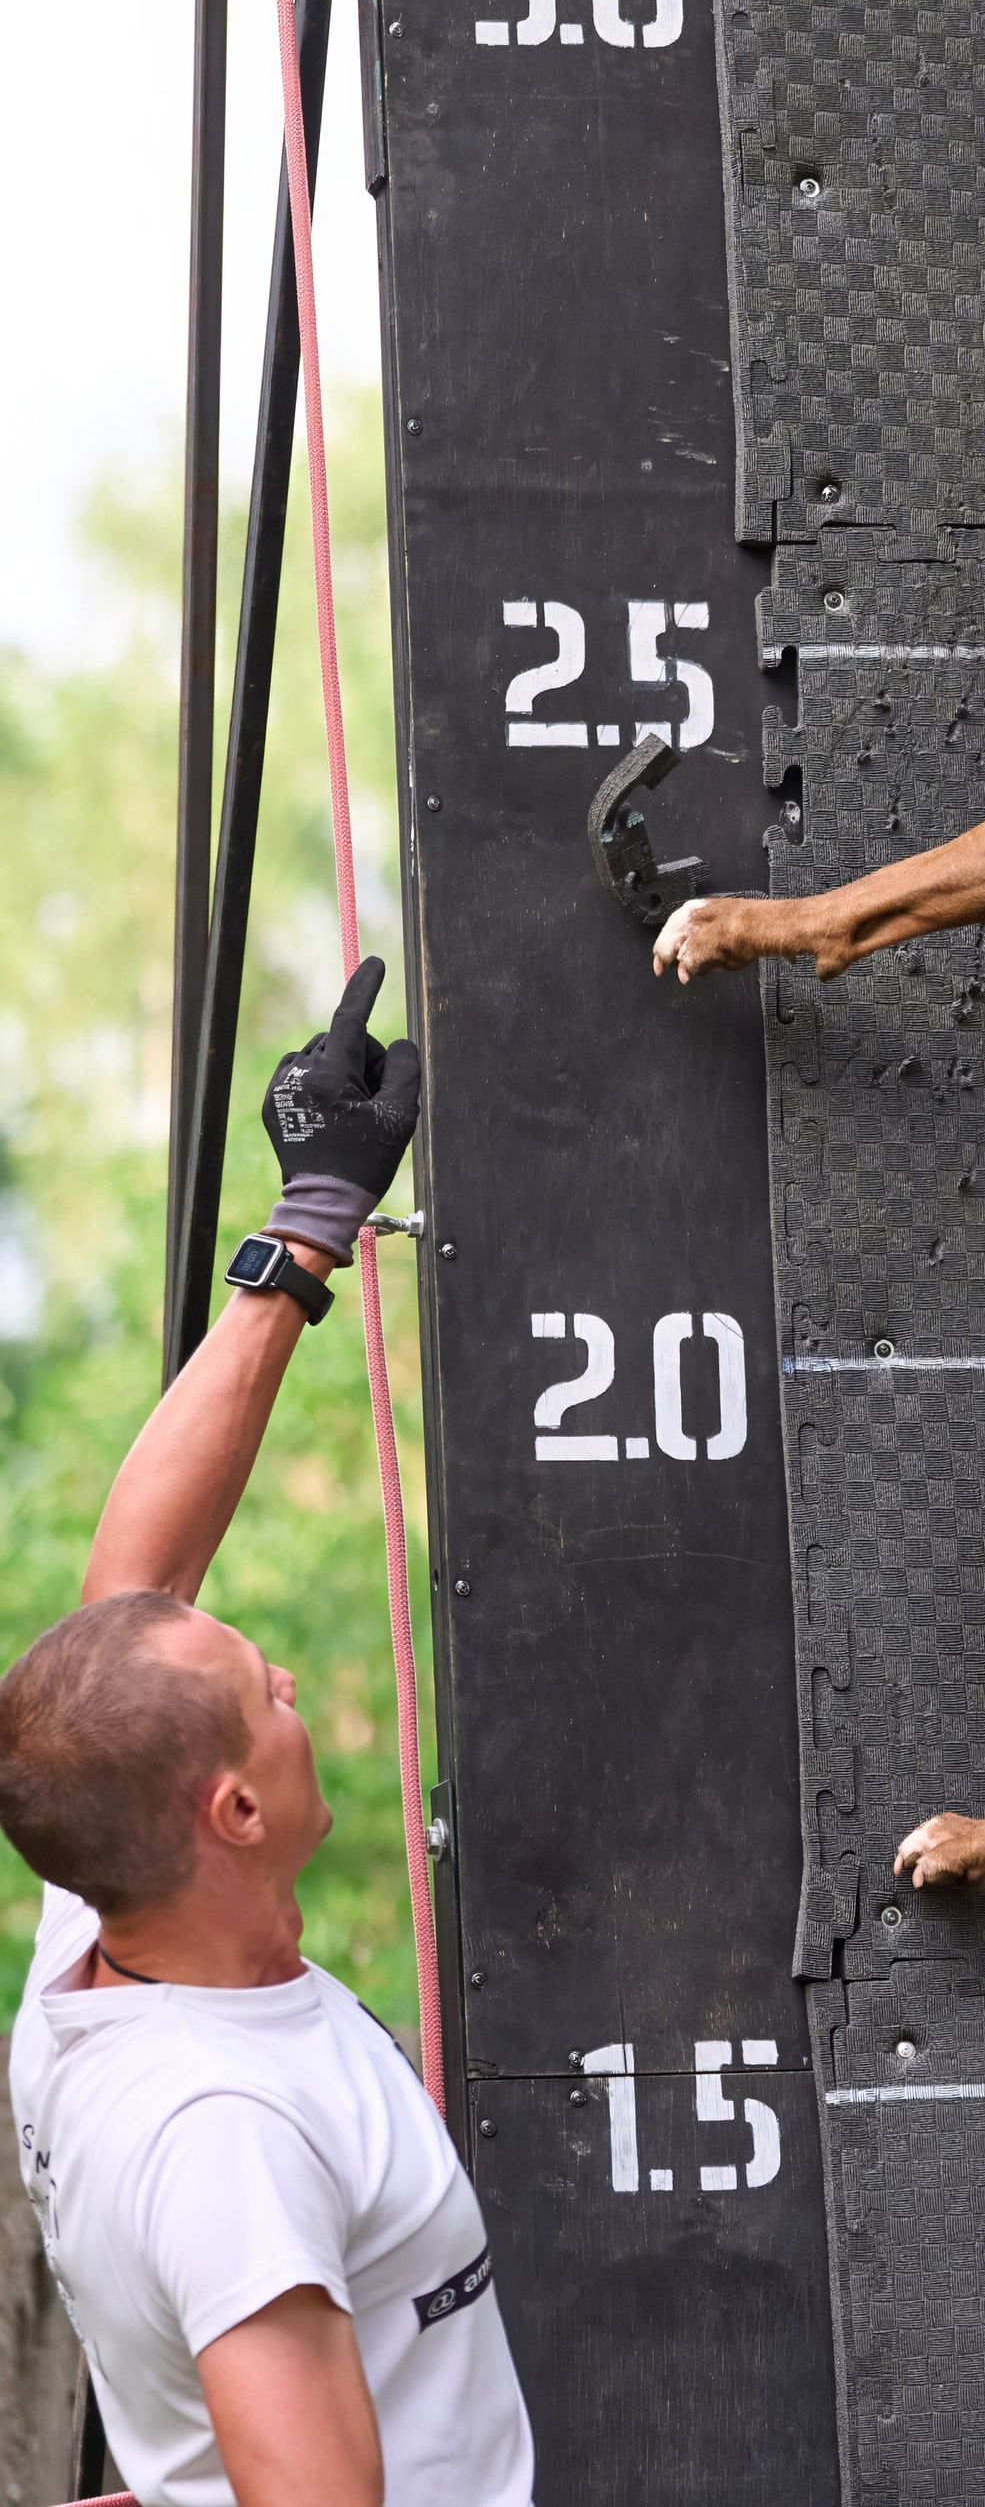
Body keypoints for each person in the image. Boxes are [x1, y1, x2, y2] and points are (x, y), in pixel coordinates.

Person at [2, 962, 535, 2507]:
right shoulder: (222, 2132)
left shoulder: (100, 1919)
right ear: (229, 1810)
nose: (296, 1682)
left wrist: (305, 1231)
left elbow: (136, 1588)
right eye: (267, 1693)